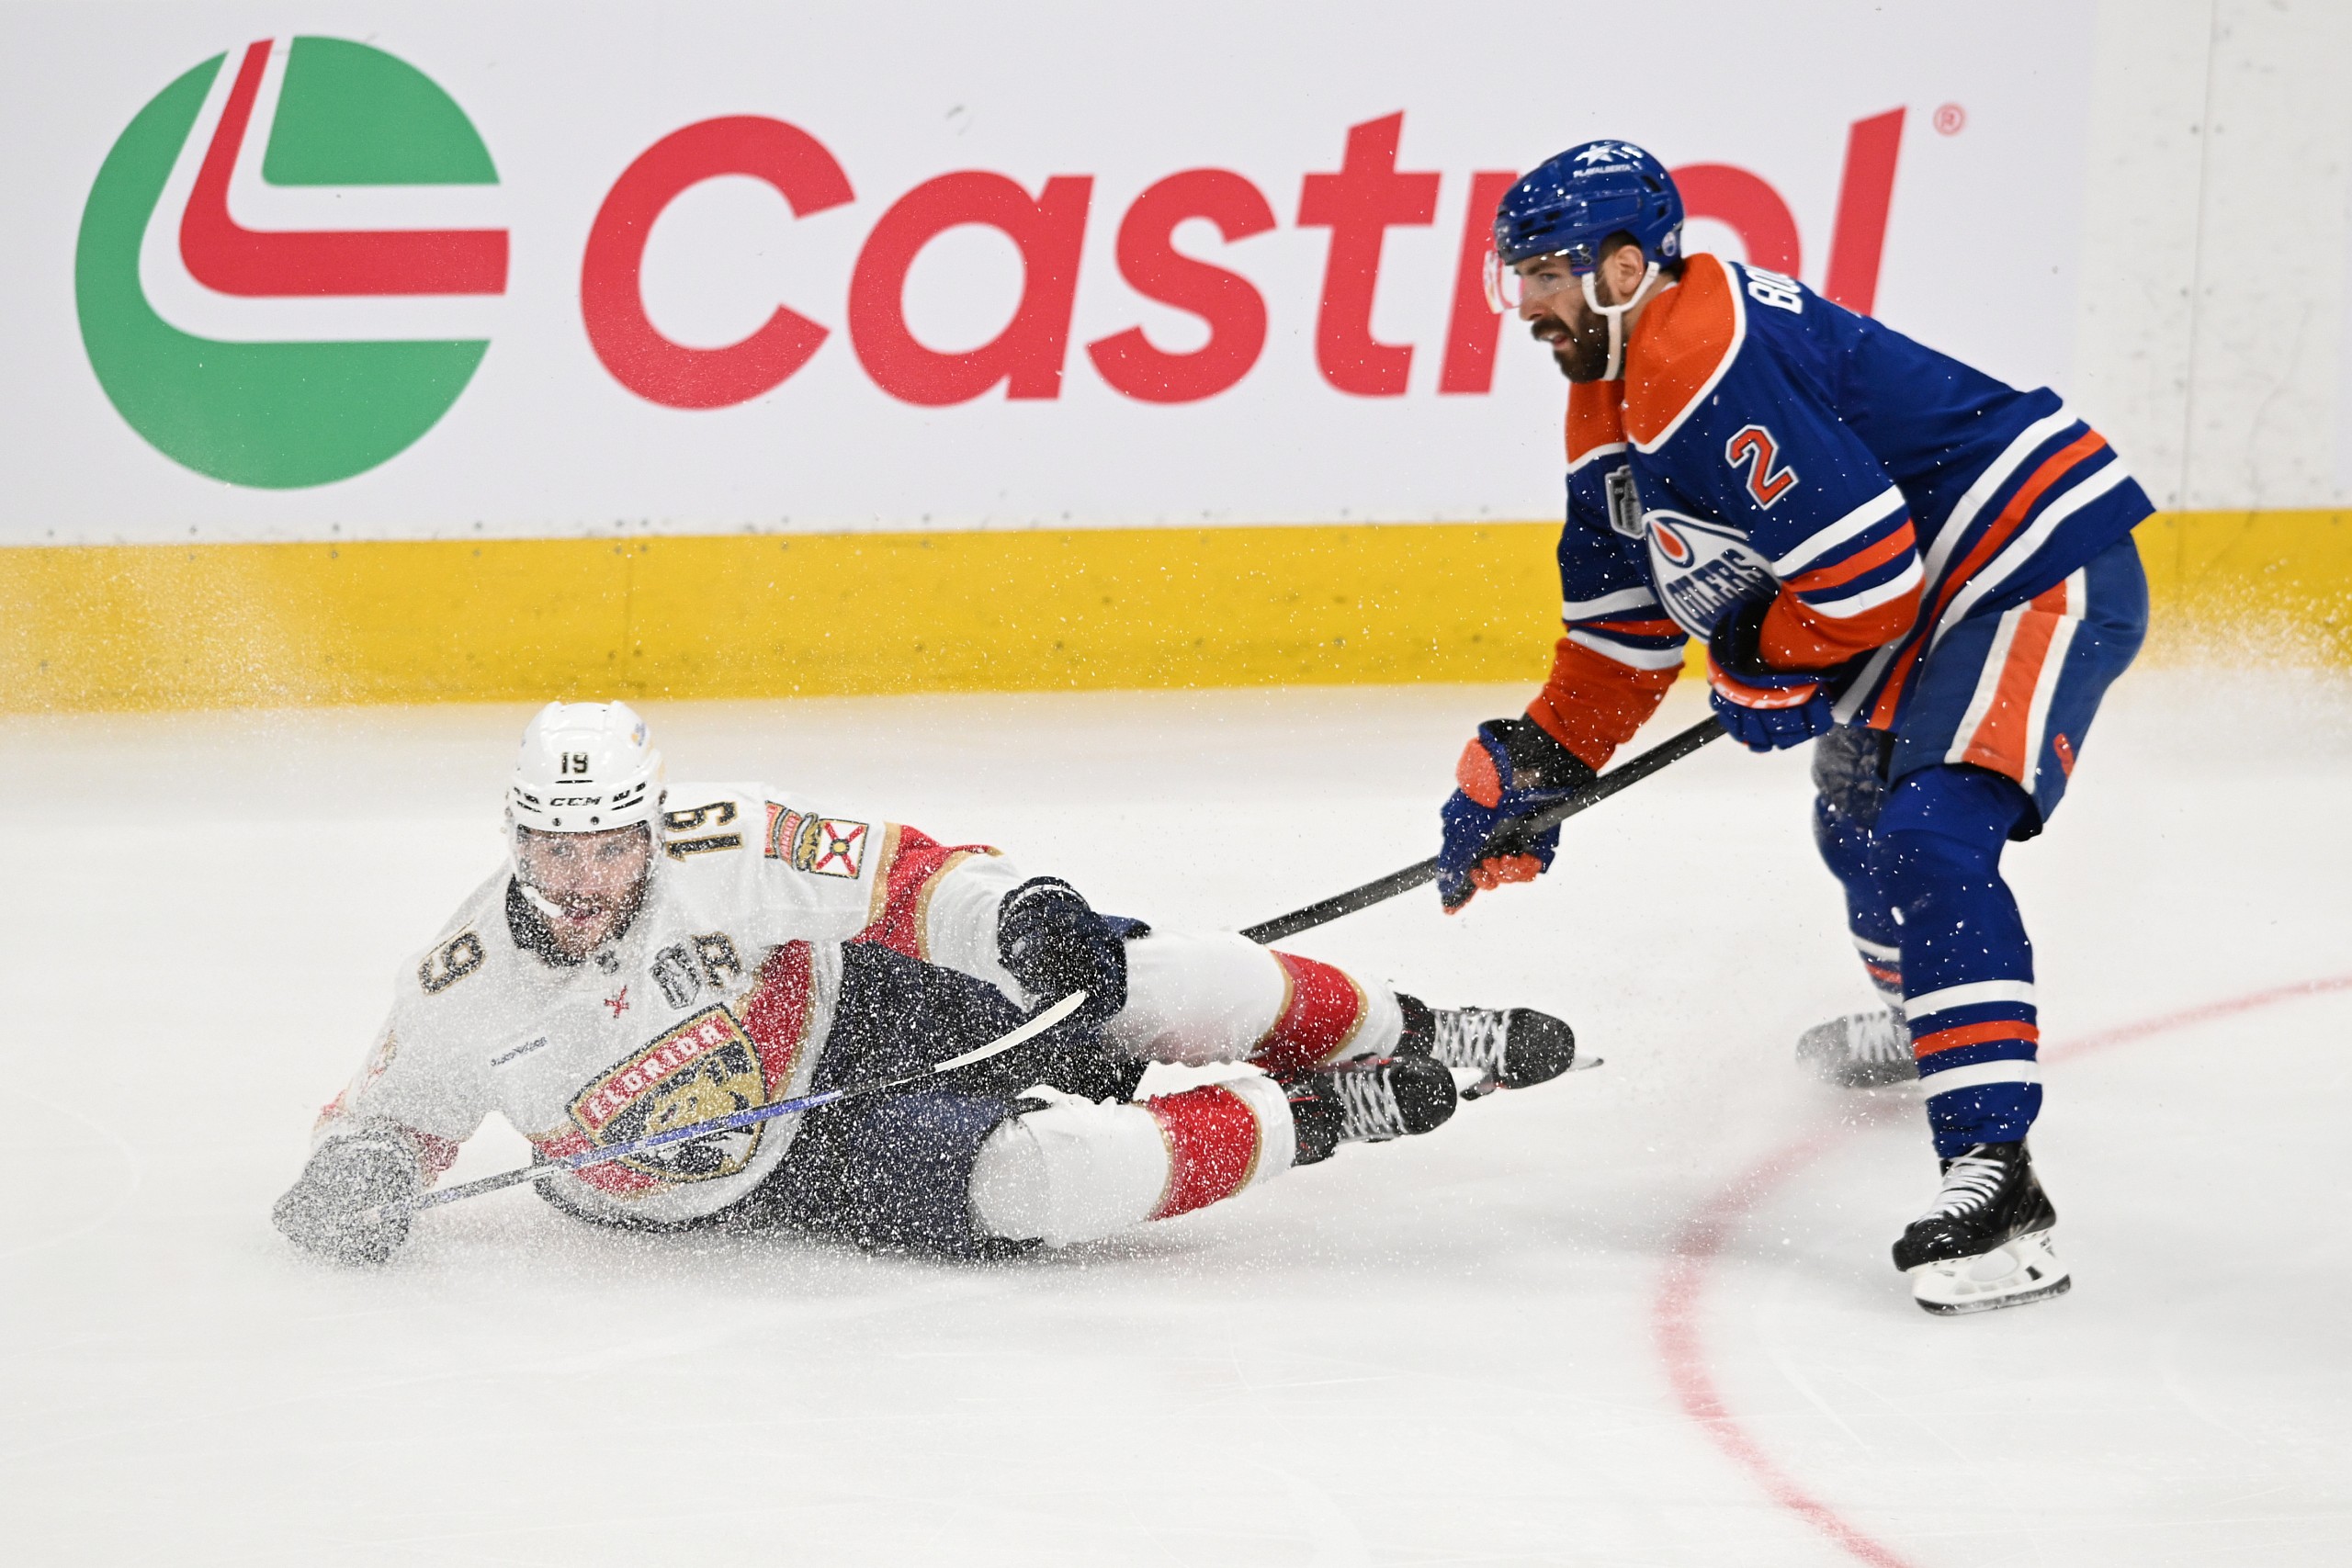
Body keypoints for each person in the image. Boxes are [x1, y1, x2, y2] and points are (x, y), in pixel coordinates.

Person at [1439, 141, 2150, 1314]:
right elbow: (1624, 634)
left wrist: (1765, 660)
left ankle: (1998, 1183)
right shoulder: (1608, 395)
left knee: (1930, 836)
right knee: (1854, 822)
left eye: (1547, 276)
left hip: (2026, 568)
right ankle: (1933, 1014)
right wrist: (1539, 764)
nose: (1527, 306)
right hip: (1925, 603)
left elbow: (1864, 581)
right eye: (1516, 279)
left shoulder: (1699, 353)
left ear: (1624, 268)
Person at [276, 702, 1576, 1265]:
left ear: (649, 827)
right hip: (781, 1166)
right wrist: (361, 1174)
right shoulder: (465, 981)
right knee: (1048, 1180)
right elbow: (387, 1118)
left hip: (853, 1002)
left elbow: (900, 876)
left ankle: (1412, 1024)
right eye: (553, 846)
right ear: (517, 835)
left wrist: (1024, 911)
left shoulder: (723, 840)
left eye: (607, 843)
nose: (578, 877)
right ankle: (1329, 1116)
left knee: (1137, 976)